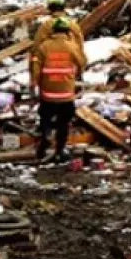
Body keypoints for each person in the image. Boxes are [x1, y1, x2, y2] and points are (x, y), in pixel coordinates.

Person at [30, 17, 87, 163]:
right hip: (66, 93)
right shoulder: (71, 46)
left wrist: (34, 84)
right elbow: (83, 62)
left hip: (48, 93)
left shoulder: (44, 47)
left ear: (53, 31)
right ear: (67, 31)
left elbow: (36, 68)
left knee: (45, 118)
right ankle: (60, 150)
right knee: (64, 123)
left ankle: (47, 135)